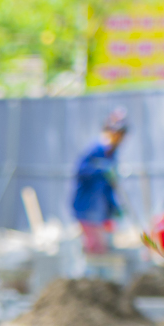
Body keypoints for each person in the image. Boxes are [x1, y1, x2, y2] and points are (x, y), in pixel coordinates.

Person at [71, 109, 127, 254]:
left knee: (102, 245)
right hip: (86, 206)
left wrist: (113, 207)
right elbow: (80, 171)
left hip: (99, 209)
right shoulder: (95, 149)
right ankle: (90, 275)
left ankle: (98, 274)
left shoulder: (112, 154)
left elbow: (109, 187)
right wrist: (100, 170)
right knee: (93, 245)